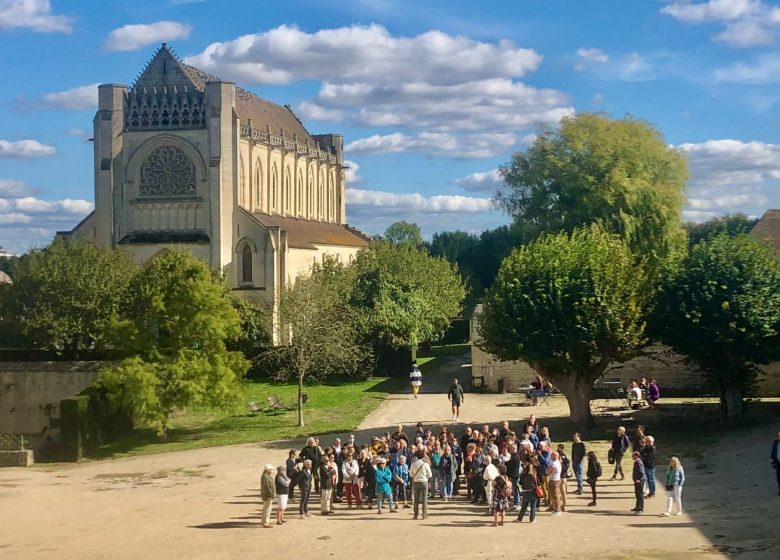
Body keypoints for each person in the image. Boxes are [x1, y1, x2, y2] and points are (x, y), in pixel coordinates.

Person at [409, 449, 433, 520]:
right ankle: (424, 515)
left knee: (416, 500)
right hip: (424, 482)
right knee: (424, 499)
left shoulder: (413, 464)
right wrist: (425, 477)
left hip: (416, 482)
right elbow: (430, 475)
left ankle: (415, 515)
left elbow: (411, 474)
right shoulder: (425, 464)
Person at [260, 464, 277, 528]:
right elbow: (267, 487)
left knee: (267, 509)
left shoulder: (267, 475)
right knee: (267, 509)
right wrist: (272, 494)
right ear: (267, 470)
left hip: (269, 495)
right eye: (271, 469)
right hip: (268, 495)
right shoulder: (265, 476)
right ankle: (265, 522)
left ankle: (265, 521)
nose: (272, 471)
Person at [547, 451, 563, 516]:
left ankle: (558, 510)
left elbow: (547, 471)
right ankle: (555, 509)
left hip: (554, 481)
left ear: (554, 456)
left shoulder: (554, 464)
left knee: (555, 496)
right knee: (555, 495)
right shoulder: (557, 462)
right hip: (556, 480)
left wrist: (548, 472)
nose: (550, 456)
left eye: (552, 455)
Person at [771, 431, 780, 496]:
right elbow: (773, 451)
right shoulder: (776, 442)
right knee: (779, 477)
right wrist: (772, 459)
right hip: (778, 462)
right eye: (779, 436)